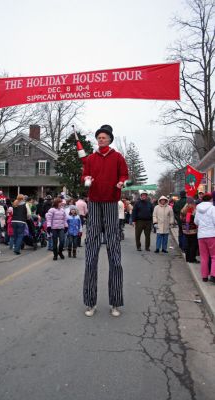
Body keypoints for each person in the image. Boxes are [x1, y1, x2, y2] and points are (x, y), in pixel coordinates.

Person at [82, 124, 128, 317]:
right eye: (99, 137)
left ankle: (115, 303)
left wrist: (122, 182)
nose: (101, 139)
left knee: (115, 257)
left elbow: (125, 175)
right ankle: (90, 303)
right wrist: (86, 179)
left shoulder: (118, 157)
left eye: (104, 137)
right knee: (91, 257)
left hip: (110, 204)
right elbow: (84, 174)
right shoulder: (90, 158)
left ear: (110, 139)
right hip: (94, 205)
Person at [194, 193, 215, 282]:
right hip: (211, 234)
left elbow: (196, 222)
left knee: (203, 257)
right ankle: (213, 275)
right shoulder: (212, 208)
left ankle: (204, 276)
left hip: (201, 235)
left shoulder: (198, 209)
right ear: (211, 199)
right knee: (214, 256)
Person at [180, 197, 199, 263]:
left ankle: (187, 258)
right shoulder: (190, 210)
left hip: (185, 230)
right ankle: (192, 259)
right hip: (191, 230)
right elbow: (188, 220)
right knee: (193, 245)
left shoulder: (183, 209)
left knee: (188, 244)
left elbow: (181, 219)